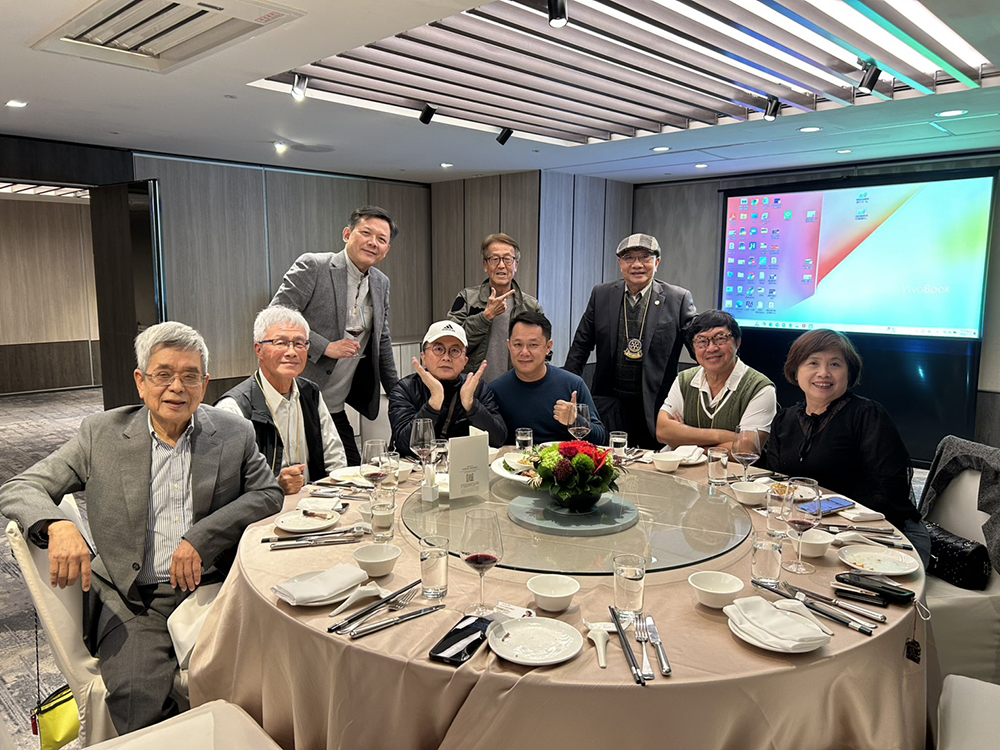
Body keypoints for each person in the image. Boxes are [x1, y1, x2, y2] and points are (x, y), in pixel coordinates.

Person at [0, 322, 282, 733]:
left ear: (204, 385)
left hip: (214, 591)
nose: (176, 387)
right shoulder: (101, 435)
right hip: (132, 600)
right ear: (141, 382)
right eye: (163, 374)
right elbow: (20, 486)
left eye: (190, 376)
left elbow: (268, 493)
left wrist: (203, 537)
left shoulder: (233, 432)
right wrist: (57, 524)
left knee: (274, 672)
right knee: (138, 699)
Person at [764, 328, 930, 564]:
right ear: (796, 370)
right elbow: (776, 483)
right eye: (813, 363)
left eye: (835, 364)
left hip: (882, 534)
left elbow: (888, 493)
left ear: (849, 373)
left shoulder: (867, 415)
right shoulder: (784, 419)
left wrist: (824, 517)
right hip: (809, 530)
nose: (823, 373)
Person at [270, 205, 400, 464]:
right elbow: (276, 316)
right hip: (297, 400)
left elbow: (381, 341)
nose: (373, 243)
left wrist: (398, 396)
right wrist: (324, 346)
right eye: (366, 233)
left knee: (353, 472)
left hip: (335, 405)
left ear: (386, 250)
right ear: (347, 234)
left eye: (381, 239)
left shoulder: (381, 283)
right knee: (301, 477)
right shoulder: (314, 266)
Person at [564, 233, 696, 449]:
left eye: (644, 257)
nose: (637, 264)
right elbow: (581, 345)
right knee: (607, 458)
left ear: (657, 262)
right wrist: (567, 388)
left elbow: (698, 347)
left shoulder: (677, 299)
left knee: (652, 462)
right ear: (620, 263)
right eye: (629, 258)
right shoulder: (602, 294)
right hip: (609, 402)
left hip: (656, 404)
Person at [215, 306, 346, 493]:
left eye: (299, 344)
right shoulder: (234, 408)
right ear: (259, 350)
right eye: (281, 343)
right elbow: (226, 488)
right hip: (263, 508)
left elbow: (335, 459)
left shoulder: (311, 393)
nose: (291, 352)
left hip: (315, 503)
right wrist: (274, 486)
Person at [656, 310, 776, 452]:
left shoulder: (760, 388)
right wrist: (723, 436)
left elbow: (746, 449)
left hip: (732, 468)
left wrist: (682, 440)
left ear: (738, 342)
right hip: (679, 466)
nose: (711, 348)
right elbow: (662, 431)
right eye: (702, 341)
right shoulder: (684, 380)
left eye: (720, 339)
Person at [388, 320, 506, 459]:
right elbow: (403, 444)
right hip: (417, 469)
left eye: (455, 351)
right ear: (423, 357)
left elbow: (499, 439)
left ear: (465, 361)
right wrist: (434, 403)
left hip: (466, 466)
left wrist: (471, 405)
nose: (446, 358)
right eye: (438, 349)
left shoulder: (476, 387)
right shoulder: (404, 389)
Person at [491, 311, 607, 445]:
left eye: (533, 345)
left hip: (563, 457)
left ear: (548, 347)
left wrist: (575, 420)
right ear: (509, 345)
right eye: (518, 345)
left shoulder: (573, 385)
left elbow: (601, 437)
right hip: (515, 457)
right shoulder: (496, 390)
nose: (524, 352)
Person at [447, 232, 544, 383]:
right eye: (494, 259)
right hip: (473, 386)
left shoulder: (531, 306)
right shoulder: (467, 298)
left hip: (515, 387)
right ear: (485, 265)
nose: (501, 265)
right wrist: (485, 317)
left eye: (507, 259)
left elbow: (543, 351)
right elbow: (451, 343)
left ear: (516, 265)